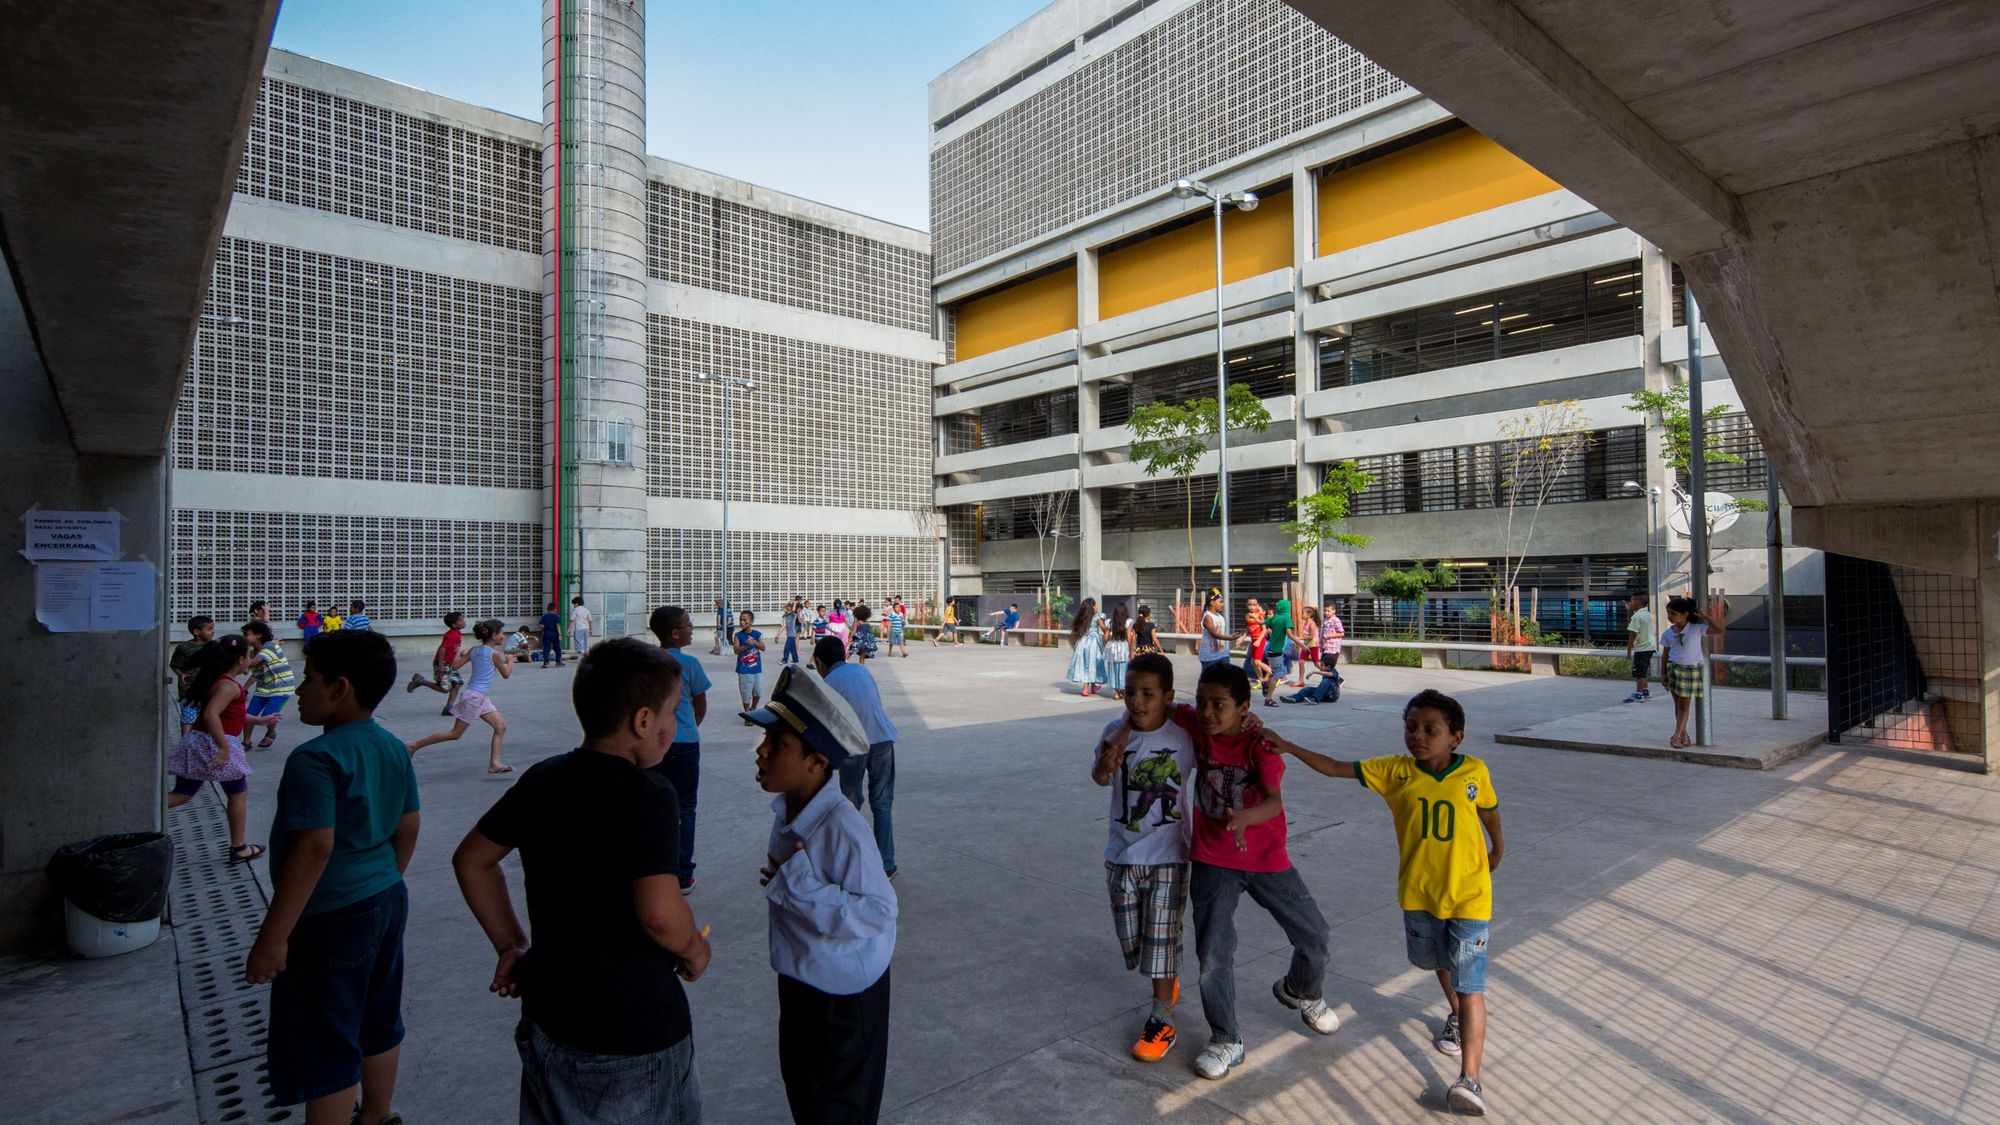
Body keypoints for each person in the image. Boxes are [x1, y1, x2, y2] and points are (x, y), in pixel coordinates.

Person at [453, 638, 710, 1125]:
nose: (674, 727)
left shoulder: (543, 777)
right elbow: (659, 912)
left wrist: (510, 945)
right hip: (632, 1031)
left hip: (550, 1012)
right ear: (641, 722)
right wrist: (695, 949)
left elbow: (472, 860)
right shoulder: (650, 794)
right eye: (672, 713)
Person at [1261, 690, 1503, 1115]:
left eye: (1431, 730)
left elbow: (1489, 811)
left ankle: (1470, 1079)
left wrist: (1497, 848)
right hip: (1420, 894)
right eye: (1411, 727)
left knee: (1471, 986)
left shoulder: (1475, 772)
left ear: (1456, 737)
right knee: (1440, 964)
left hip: (1470, 896)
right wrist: (1289, 746)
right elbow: (1336, 769)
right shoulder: (1395, 772)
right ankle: (1455, 1015)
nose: (1418, 737)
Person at [245, 630, 420, 1125]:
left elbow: (314, 846)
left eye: (309, 679)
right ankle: (378, 1116)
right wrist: (385, 879)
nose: (300, 689)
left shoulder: (315, 759)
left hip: (329, 915)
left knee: (327, 1038)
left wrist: (272, 939)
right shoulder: (391, 747)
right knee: (378, 1019)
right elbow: (408, 827)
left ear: (340, 687)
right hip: (385, 897)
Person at [745, 666, 897, 1124]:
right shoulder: (791, 804)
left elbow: (880, 909)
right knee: (808, 1100)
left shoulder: (841, 826)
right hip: (803, 983)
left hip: (842, 1000)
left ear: (818, 762)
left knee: (839, 1110)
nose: (762, 753)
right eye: (764, 740)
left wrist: (797, 887)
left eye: (778, 746)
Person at [1181, 662, 1337, 1080]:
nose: (1209, 713)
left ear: (1244, 707)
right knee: (1213, 953)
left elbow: (1274, 801)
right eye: (1202, 703)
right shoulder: (1196, 725)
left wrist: (1245, 819)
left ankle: (1300, 990)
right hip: (1213, 858)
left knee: (1316, 936)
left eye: (1220, 705)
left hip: (1266, 858)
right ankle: (1226, 1039)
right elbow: (1155, 705)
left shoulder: (1261, 746)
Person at [1088, 652, 1194, 1062]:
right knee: (1134, 945)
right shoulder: (1114, 732)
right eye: (1130, 691)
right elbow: (1099, 779)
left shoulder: (1183, 739)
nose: (1137, 701)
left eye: (1148, 693)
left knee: (1160, 943)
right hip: (1121, 856)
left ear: (1167, 696)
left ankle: (1162, 1017)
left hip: (1169, 856)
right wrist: (1103, 764)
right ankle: (1164, 980)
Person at [167, 635, 262, 861]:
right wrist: (224, 748)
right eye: (249, 655)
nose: (251, 659)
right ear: (241, 659)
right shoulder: (229, 686)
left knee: (182, 794)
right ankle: (239, 847)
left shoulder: (220, 681)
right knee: (238, 793)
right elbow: (211, 714)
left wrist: (260, 720)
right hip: (215, 743)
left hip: (202, 742)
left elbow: (231, 714)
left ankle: (144, 810)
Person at [813, 636, 899, 880]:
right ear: (845, 655)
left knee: (850, 805)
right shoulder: (862, 671)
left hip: (854, 746)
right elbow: (874, 704)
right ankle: (886, 864)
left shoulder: (827, 683)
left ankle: (852, 863)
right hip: (882, 739)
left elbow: (826, 725)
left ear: (819, 662)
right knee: (882, 804)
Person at [648, 606, 711, 895]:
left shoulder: (648, 663)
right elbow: (700, 704)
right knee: (686, 808)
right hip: (685, 743)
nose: (691, 628)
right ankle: (683, 874)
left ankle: (652, 872)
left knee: (655, 806)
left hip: (653, 744)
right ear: (674, 633)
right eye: (687, 625)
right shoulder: (690, 664)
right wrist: (689, 728)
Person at [406, 619, 513, 774]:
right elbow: (506, 674)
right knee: (455, 734)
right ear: (494, 636)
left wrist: (458, 653)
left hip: (477, 696)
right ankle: (414, 745)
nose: (503, 636)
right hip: (475, 697)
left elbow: (455, 665)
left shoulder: (475, 650)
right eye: (502, 633)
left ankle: (494, 764)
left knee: (500, 726)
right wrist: (510, 661)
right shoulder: (494, 654)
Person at [1661, 595, 1709, 749]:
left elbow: (1720, 628)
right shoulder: (1668, 633)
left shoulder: (1696, 629)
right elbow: (1665, 654)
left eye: (1673, 613)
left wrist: (1705, 616)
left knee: (1684, 705)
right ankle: (1684, 734)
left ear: (1685, 614)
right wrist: (1663, 674)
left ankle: (1676, 736)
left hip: (1691, 669)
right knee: (1677, 704)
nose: (1670, 617)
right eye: (1668, 613)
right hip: (1674, 668)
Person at [241, 620, 298, 750]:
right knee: (249, 715)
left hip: (281, 687)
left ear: (258, 635)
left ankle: (271, 732)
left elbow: (254, 662)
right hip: (263, 688)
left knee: (269, 715)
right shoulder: (251, 653)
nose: (243, 637)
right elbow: (249, 671)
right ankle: (246, 742)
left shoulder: (270, 646)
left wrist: (236, 656)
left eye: (246, 634)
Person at [407, 612, 467, 718]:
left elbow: (452, 648)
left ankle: (448, 708)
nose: (464, 621)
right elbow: (443, 649)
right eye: (461, 620)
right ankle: (421, 681)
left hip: (450, 664)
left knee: (457, 684)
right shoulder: (451, 635)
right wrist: (440, 665)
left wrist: (459, 653)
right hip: (443, 664)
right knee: (444, 689)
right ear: (454, 625)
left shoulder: (457, 633)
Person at [172, 614, 216, 735]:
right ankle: (186, 746)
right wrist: (180, 675)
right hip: (189, 692)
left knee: (208, 719)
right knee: (188, 720)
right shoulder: (184, 648)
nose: (212, 632)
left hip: (209, 692)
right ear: (196, 631)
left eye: (212, 629)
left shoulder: (214, 647)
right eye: (209, 629)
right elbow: (175, 665)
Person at [1067, 598, 1108, 696]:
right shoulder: (1096, 618)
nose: (1097, 607)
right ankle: (1085, 688)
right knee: (1092, 663)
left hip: (1082, 642)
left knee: (1087, 663)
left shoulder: (1082, 618)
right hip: (1093, 643)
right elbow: (1104, 629)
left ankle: (1093, 687)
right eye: (1095, 605)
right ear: (1092, 607)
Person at [1622, 593, 1656, 704]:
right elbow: (1632, 622)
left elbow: (1632, 634)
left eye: (1631, 601)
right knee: (1643, 670)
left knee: (1639, 673)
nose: (1630, 603)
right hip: (1649, 646)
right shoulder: (1646, 614)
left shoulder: (1637, 616)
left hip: (1642, 648)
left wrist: (1629, 651)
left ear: (1637, 601)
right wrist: (1629, 611)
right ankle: (1645, 692)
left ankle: (1639, 694)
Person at [1260, 598, 1294, 707]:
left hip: (1271, 650)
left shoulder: (1274, 618)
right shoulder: (1286, 619)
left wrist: (1254, 617)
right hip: (1276, 652)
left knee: (1278, 673)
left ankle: (1267, 685)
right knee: (1278, 674)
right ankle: (1268, 698)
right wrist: (1302, 644)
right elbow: (1289, 635)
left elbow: (1261, 622)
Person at [735, 609, 766, 723]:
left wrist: (756, 643)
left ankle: (753, 708)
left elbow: (763, 647)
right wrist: (746, 645)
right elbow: (736, 650)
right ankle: (748, 715)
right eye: (740, 620)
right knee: (746, 692)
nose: (742, 622)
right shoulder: (738, 635)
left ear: (751, 621)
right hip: (744, 669)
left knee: (758, 692)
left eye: (745, 620)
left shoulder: (757, 634)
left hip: (756, 668)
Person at [1103, 603, 1134, 701]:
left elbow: (1105, 637)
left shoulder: (1110, 622)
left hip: (1113, 646)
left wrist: (1111, 642)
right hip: (1123, 646)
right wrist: (1131, 650)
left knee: (1114, 669)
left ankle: (1116, 692)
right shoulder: (1128, 622)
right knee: (1123, 668)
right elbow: (1129, 638)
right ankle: (1123, 690)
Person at [1197, 594, 1234, 671]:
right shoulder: (1208, 617)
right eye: (1220, 602)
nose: (1223, 605)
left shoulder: (1220, 617)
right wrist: (1230, 638)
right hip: (1210, 658)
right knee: (1210, 682)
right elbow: (1214, 634)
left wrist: (1230, 636)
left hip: (1223, 655)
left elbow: (1220, 633)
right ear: (1212, 603)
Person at [1291, 606, 1321, 689]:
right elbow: (1306, 635)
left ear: (1309, 615)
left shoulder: (1312, 624)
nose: (1301, 614)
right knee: (1301, 662)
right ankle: (1301, 681)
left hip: (1313, 646)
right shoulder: (1306, 623)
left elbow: (1311, 636)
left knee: (1317, 664)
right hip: (1306, 646)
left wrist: (1299, 638)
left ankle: (1331, 675)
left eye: (1302, 613)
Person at [537, 603, 564, 669]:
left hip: (546, 634)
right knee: (557, 648)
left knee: (546, 649)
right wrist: (560, 634)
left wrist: (545, 628)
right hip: (554, 634)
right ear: (555, 609)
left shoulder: (544, 616)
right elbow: (558, 626)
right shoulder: (556, 616)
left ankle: (546, 663)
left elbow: (541, 625)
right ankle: (558, 662)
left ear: (547, 609)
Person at [1322, 603, 1346, 667]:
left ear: (1334, 611)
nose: (1326, 613)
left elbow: (1341, 633)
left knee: (1329, 668)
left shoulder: (1336, 620)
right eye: (1325, 611)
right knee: (1323, 667)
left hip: (1333, 648)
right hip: (1326, 647)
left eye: (1328, 611)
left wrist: (1329, 636)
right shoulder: (1325, 620)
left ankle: (1335, 677)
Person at [782, 600, 803, 666]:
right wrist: (788, 603)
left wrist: (794, 603)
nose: (787, 609)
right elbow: (784, 608)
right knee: (793, 648)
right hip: (789, 633)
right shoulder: (787, 614)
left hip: (792, 633)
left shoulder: (794, 614)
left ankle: (785, 660)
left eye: (789, 608)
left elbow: (793, 610)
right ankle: (795, 660)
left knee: (787, 647)